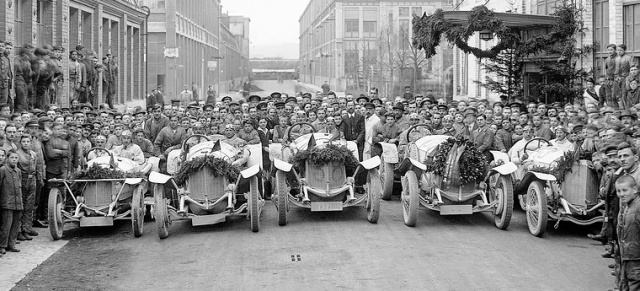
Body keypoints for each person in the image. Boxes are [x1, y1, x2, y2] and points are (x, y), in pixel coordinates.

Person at [616, 175, 640, 290]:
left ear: (634, 189)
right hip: (627, 256)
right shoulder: (627, 206)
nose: (621, 194)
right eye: (618, 191)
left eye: (625, 190)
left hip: (636, 259)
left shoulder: (638, 207)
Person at [0, 150, 23, 254]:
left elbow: (20, 186)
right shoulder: (3, 170)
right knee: (6, 225)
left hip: (17, 202)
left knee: (15, 225)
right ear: (7, 159)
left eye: (16, 158)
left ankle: (11, 244)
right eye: (12, 158)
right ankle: (2, 245)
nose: (14, 160)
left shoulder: (18, 171)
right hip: (7, 202)